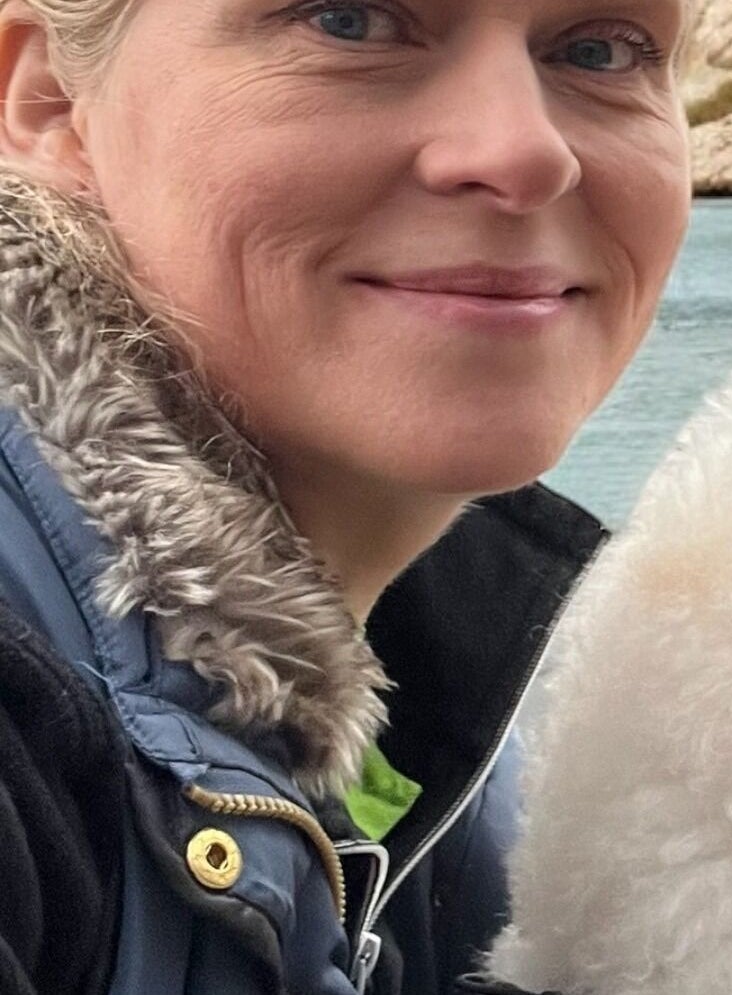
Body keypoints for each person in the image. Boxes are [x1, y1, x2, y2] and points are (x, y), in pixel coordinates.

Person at [0, 1, 693, 992]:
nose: (525, 150)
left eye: (599, 50)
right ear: (52, 105)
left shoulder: (454, 719)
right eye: (352, 23)